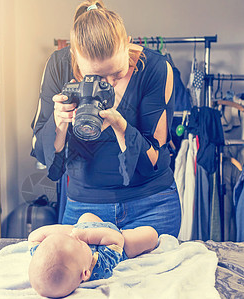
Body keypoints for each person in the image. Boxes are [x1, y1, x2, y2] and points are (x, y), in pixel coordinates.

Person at [30, 0, 181, 237]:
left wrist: (121, 127)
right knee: (83, 273)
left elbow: (154, 158)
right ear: (75, 57)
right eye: (95, 77)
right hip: (84, 207)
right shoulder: (58, 65)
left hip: (151, 206)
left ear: (127, 43)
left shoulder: (156, 68)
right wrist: (59, 123)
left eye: (117, 74)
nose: (108, 83)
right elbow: (41, 152)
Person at [28, 212, 158, 298]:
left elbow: (33, 236)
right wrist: (84, 235)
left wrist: (68, 233)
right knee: (151, 235)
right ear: (85, 274)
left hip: (84, 227)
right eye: (79, 244)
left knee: (86, 216)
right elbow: (116, 239)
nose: (78, 240)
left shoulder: (45, 254)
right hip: (112, 240)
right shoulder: (99, 266)